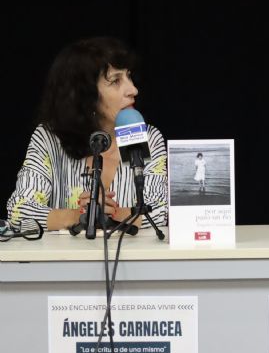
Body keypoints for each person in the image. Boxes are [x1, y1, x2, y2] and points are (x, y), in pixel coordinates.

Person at [6, 36, 168, 231]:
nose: (133, 89)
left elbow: (164, 211)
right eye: (116, 80)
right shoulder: (49, 139)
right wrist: (80, 214)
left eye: (129, 76)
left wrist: (111, 213)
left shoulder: (148, 137)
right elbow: (19, 212)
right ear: (86, 96)